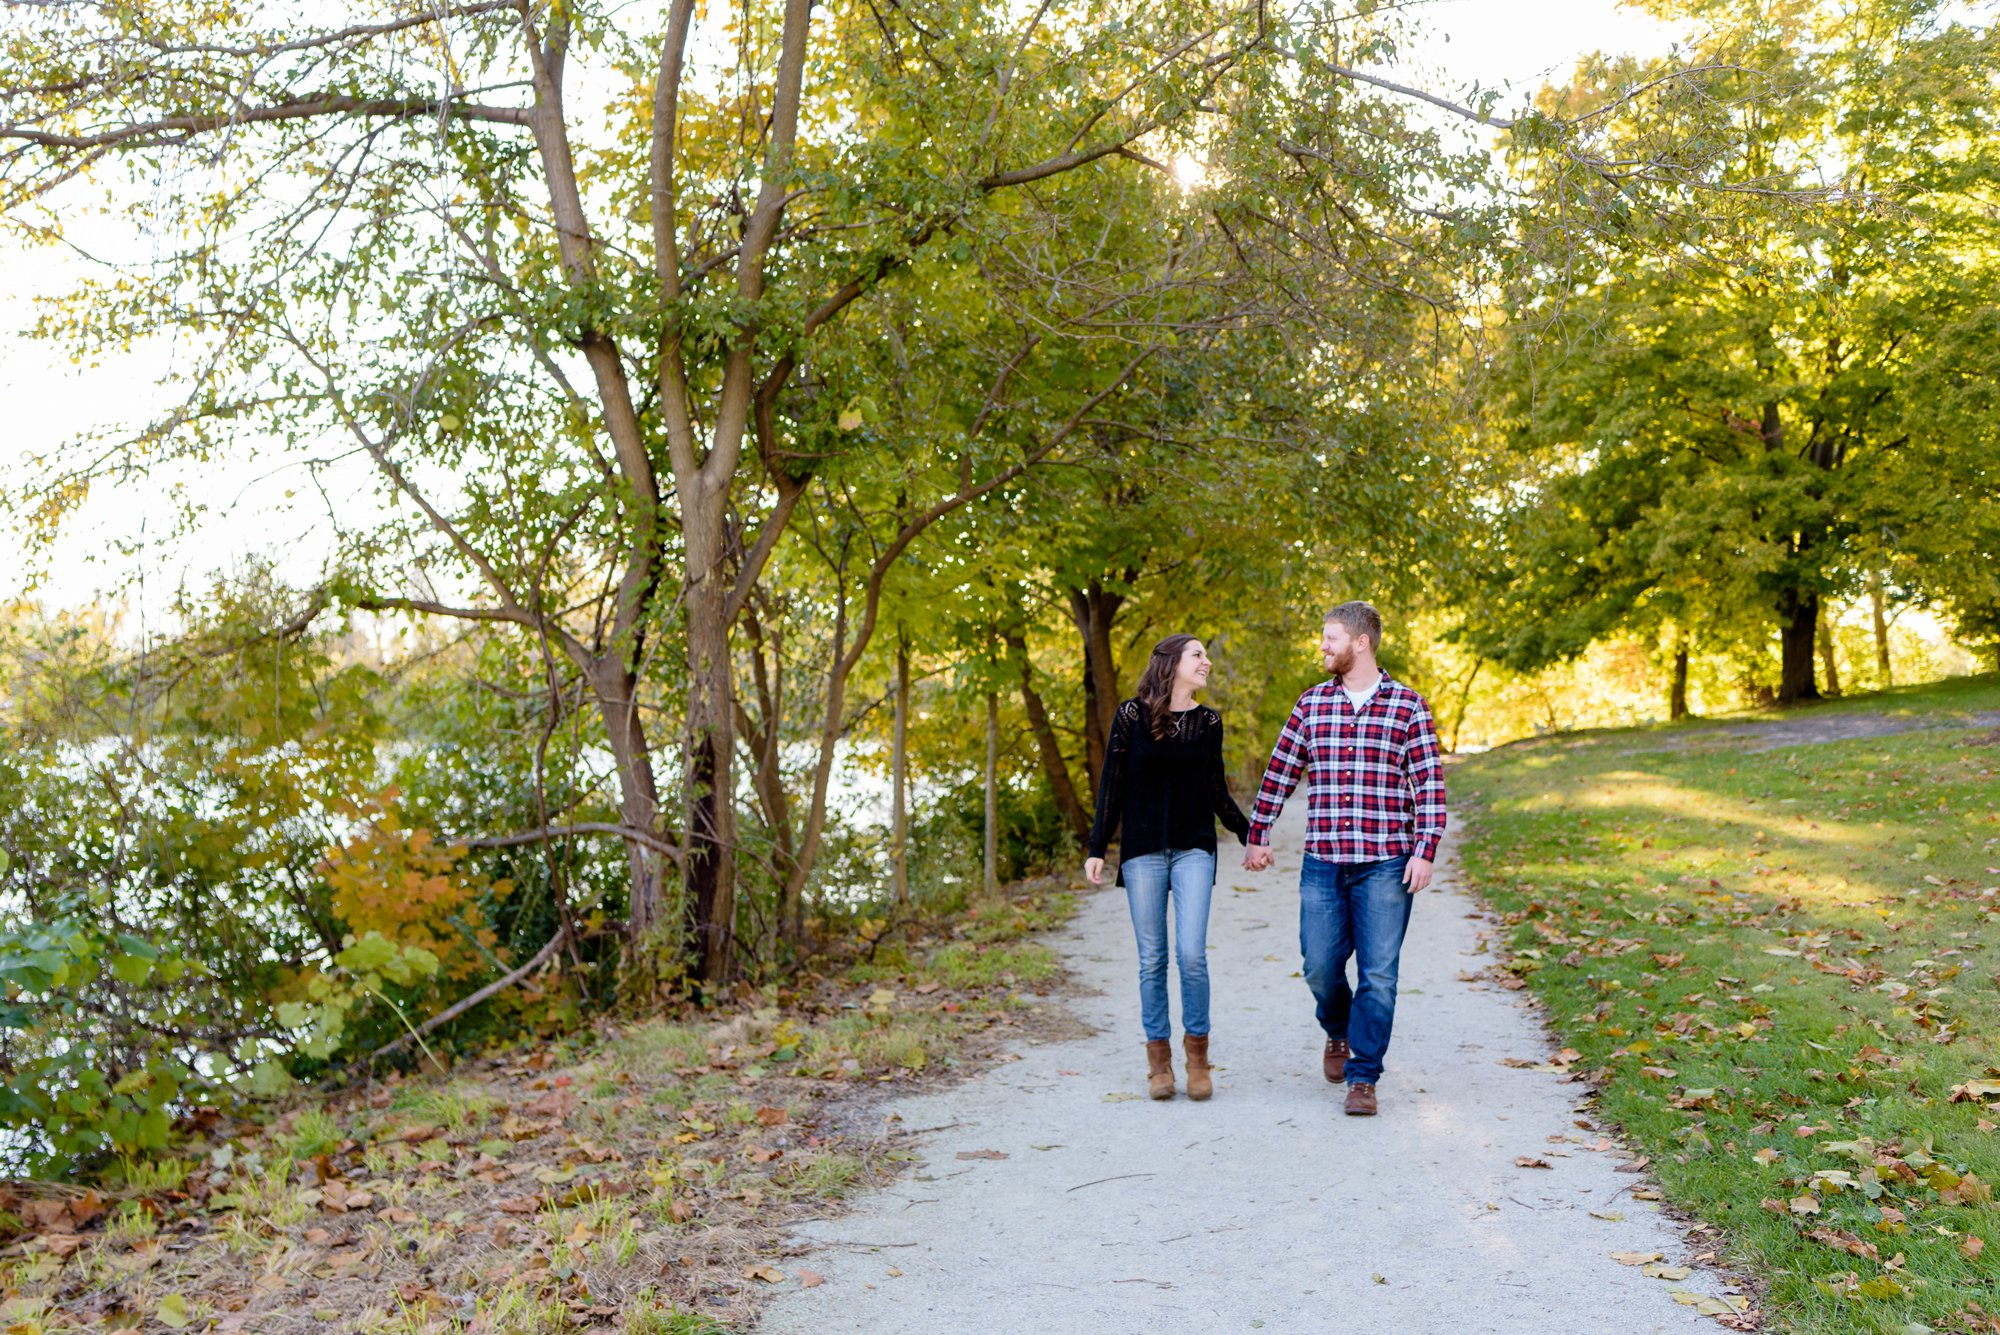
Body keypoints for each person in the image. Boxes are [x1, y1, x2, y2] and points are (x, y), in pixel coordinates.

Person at [1242, 602, 1445, 1117]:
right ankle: (1338, 1030)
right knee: (1319, 966)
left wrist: (1425, 851)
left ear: (1361, 642)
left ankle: (1363, 1076)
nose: (1323, 647)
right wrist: (1259, 831)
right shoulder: (1311, 705)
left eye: (1330, 638)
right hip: (1325, 861)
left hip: (1385, 862)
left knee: (1379, 974)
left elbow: (1430, 786)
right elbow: (1280, 770)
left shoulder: (1409, 706)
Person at [1085, 634, 1251, 1101]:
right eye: (1198, 655)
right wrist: (1098, 846)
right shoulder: (1130, 716)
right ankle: (1160, 1064)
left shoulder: (1208, 721)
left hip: (1194, 846)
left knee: (1191, 954)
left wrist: (1249, 833)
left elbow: (1216, 788)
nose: (1208, 662)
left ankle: (1198, 1058)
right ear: (1171, 662)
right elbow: (1112, 784)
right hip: (1141, 850)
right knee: (1152, 959)